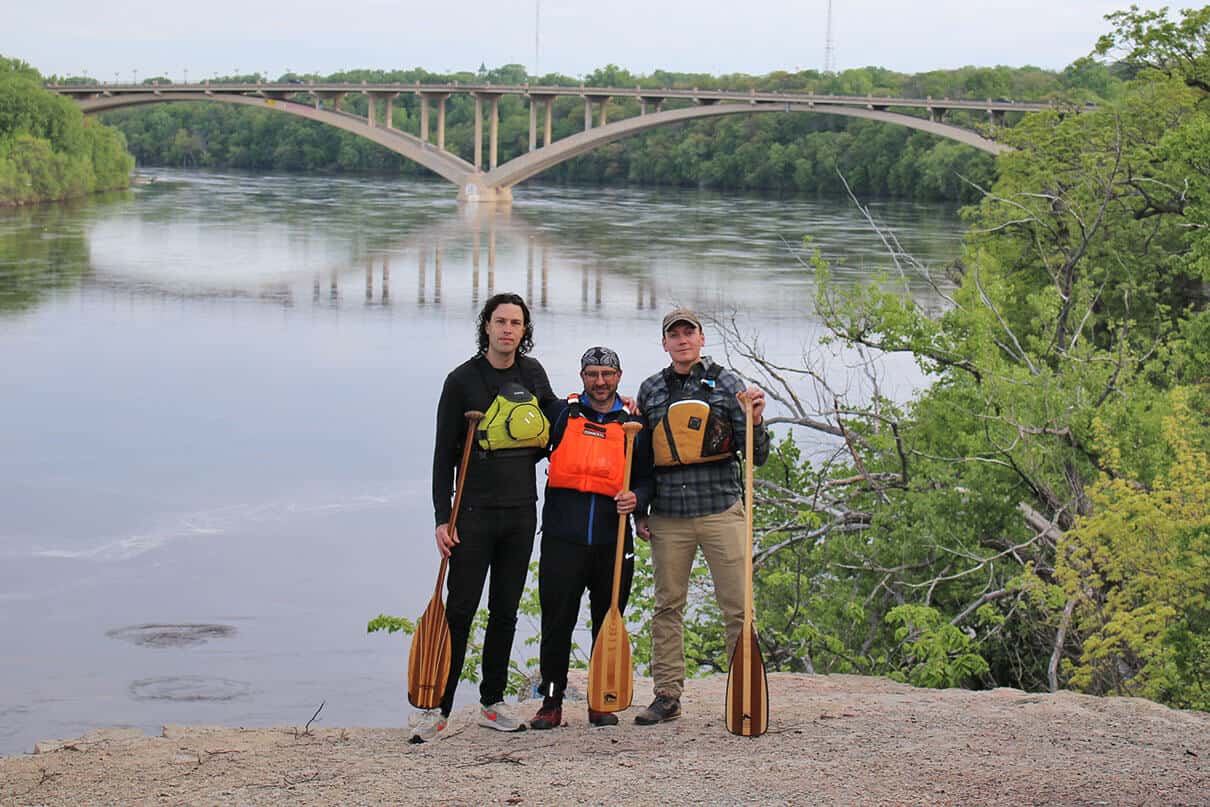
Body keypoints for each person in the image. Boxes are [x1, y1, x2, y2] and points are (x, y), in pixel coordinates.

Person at [411, 292, 557, 743]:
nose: (508, 329)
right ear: (486, 326)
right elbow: (442, 457)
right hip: (470, 514)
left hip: (519, 511)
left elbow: (556, 422)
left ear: (524, 330)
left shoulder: (533, 374)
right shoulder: (461, 381)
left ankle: (491, 703)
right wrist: (442, 518)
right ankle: (439, 707)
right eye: (500, 321)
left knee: (506, 612)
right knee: (460, 610)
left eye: (516, 322)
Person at [632, 308, 770, 725]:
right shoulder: (651, 389)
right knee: (667, 606)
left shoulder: (728, 383)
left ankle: (745, 688)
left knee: (738, 606)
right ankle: (667, 695)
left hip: (720, 509)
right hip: (670, 514)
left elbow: (757, 454)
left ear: (701, 338)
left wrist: (757, 420)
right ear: (665, 343)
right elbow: (642, 459)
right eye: (673, 335)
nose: (681, 340)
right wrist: (640, 510)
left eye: (688, 333)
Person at [528, 347, 653, 730]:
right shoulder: (562, 414)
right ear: (582, 376)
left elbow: (648, 478)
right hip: (563, 539)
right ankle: (551, 700)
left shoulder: (634, 423)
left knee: (607, 618)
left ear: (619, 376)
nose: (600, 382)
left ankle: (602, 699)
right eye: (593, 374)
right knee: (557, 621)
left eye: (607, 374)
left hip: (611, 540)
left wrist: (639, 499)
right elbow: (525, 448)